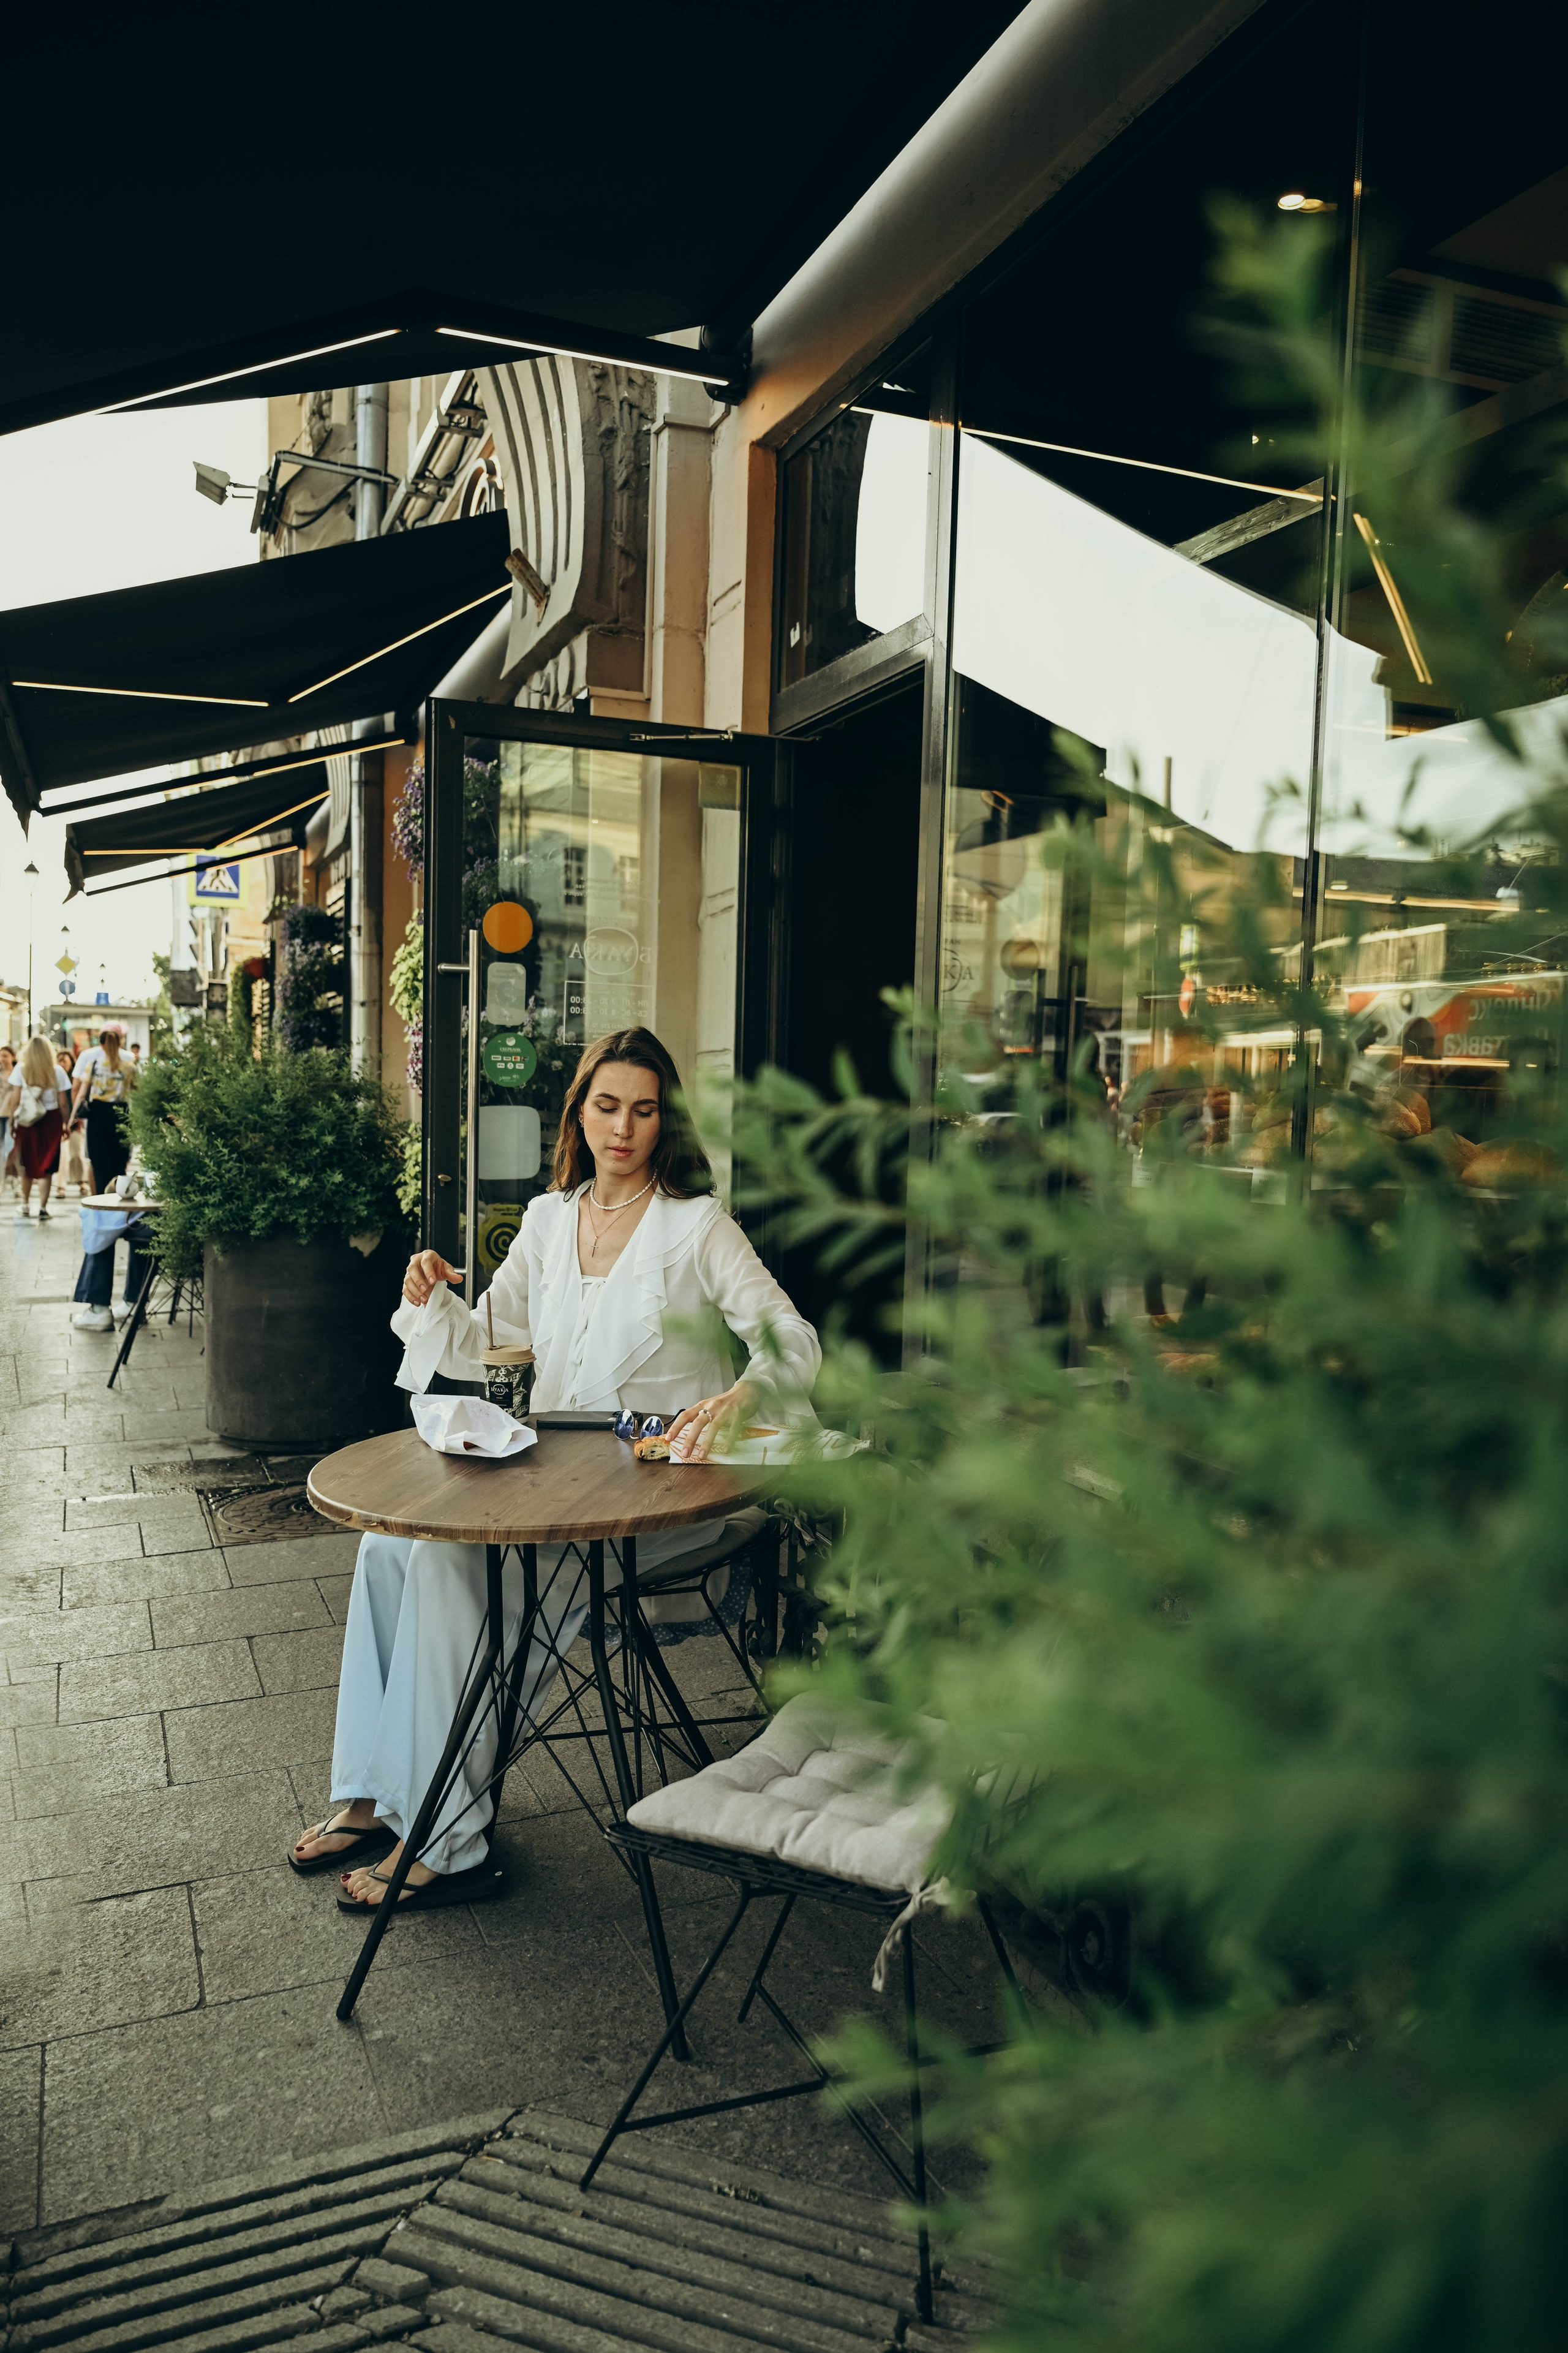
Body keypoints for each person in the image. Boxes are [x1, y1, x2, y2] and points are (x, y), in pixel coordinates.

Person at [293, 1025, 820, 1912]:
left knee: (457, 1562)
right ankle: (372, 1791)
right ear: (579, 1111)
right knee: (391, 1547)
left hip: (659, 1497)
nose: (624, 1128)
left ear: (666, 1120)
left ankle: (445, 1835)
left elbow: (791, 1338)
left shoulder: (698, 1227)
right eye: (607, 1105)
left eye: (645, 1110)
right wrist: (431, 1295)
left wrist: (747, 1393)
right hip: (552, 1475)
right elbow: (487, 1342)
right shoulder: (547, 1219)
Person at [4, 1036, 71, 1220]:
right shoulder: (57, 1071)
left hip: (28, 1121)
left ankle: (25, 1204)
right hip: (51, 1120)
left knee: (27, 1162)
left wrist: (12, 1121)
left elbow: (15, 1099)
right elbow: (63, 1102)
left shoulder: (21, 1069)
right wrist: (66, 1123)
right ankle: (43, 1207)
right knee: (47, 1165)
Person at [70, 1027, 135, 1196]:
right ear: (120, 1043)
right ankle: (119, 1198)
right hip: (121, 1114)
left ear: (101, 1044)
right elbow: (138, 1091)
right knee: (120, 1163)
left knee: (99, 1162)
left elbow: (82, 1091)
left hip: (98, 1115)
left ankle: (101, 1199)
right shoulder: (129, 1066)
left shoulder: (95, 1065)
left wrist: (72, 1117)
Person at [0, 1044, 16, 1193]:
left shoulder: (17, 1072)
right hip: (0, 1113)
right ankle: (2, 1180)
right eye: (1, 1056)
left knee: (12, 1147)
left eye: (5, 1055)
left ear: (13, 1057)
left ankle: (14, 1179)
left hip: (13, 1113)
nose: (2, 1059)